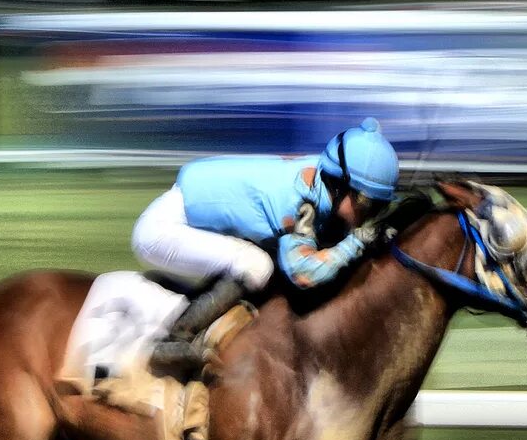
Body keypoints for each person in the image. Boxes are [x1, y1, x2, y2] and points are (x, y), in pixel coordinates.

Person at [131, 117, 400, 372]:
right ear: (340, 185)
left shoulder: (322, 183)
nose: (371, 213)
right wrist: (357, 242)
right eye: (367, 203)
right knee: (258, 266)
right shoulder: (300, 202)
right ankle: (173, 341)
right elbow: (304, 273)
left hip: (187, 217)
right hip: (162, 230)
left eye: (380, 205)